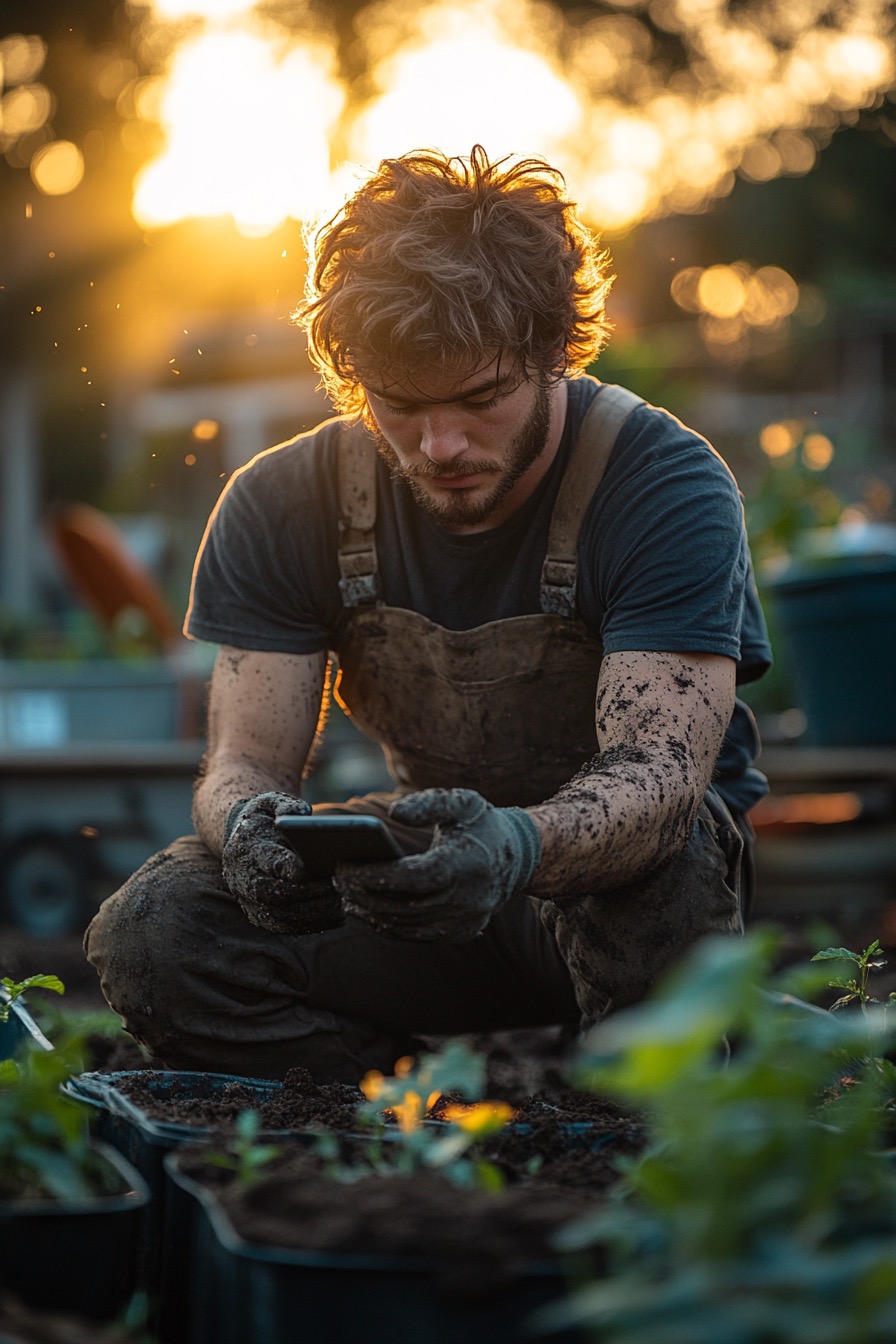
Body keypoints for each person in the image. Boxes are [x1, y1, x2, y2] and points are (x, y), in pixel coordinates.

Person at [85, 146, 771, 1083]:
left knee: (675, 859)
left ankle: (633, 1119)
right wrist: (249, 828)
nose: (440, 445)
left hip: (633, 906)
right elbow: (243, 761)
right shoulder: (283, 502)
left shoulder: (662, 484)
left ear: (550, 353)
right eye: (399, 405)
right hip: (429, 882)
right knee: (158, 926)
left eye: (481, 399)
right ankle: (388, 1113)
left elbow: (660, 783)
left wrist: (516, 847)